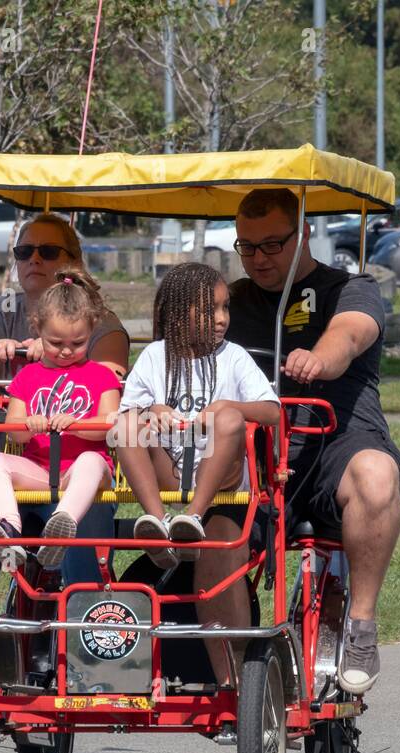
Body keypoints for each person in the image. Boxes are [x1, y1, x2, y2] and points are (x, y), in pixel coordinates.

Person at [0, 213, 130, 741]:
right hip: (12, 454)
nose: (34, 260)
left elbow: (105, 388)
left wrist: (46, 357)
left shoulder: (100, 324)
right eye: (25, 251)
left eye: (49, 252)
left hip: (77, 462)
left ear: (72, 260)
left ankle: (90, 669)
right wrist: (1, 360)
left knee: (81, 550)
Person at [203, 188, 400, 696]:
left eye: (273, 245)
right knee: (209, 530)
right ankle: (235, 680)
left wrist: (319, 358)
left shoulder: (350, 288)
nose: (259, 259)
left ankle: (360, 627)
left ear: (305, 234)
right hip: (255, 453)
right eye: (247, 247)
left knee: (377, 475)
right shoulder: (231, 300)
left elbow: (350, 334)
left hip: (335, 441)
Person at [113, 262, 279, 685]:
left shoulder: (234, 357)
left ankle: (234, 682)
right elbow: (125, 415)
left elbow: (273, 410)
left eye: (225, 309)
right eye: (210, 311)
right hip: (169, 483)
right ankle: (158, 522)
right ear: (178, 314)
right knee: (127, 423)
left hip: (222, 493)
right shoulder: (154, 357)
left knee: (226, 420)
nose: (222, 319)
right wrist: (152, 411)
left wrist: (230, 409)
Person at [0, 268, 121, 570]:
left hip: (88, 474)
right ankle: (9, 530)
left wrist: (76, 424)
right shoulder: (28, 376)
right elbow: (15, 432)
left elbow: (110, 425)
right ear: (37, 328)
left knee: (90, 461)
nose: (66, 351)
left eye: (78, 343)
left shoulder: (102, 375)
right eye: (55, 343)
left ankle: (60, 524)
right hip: (42, 470)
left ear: (92, 330)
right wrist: (30, 422)